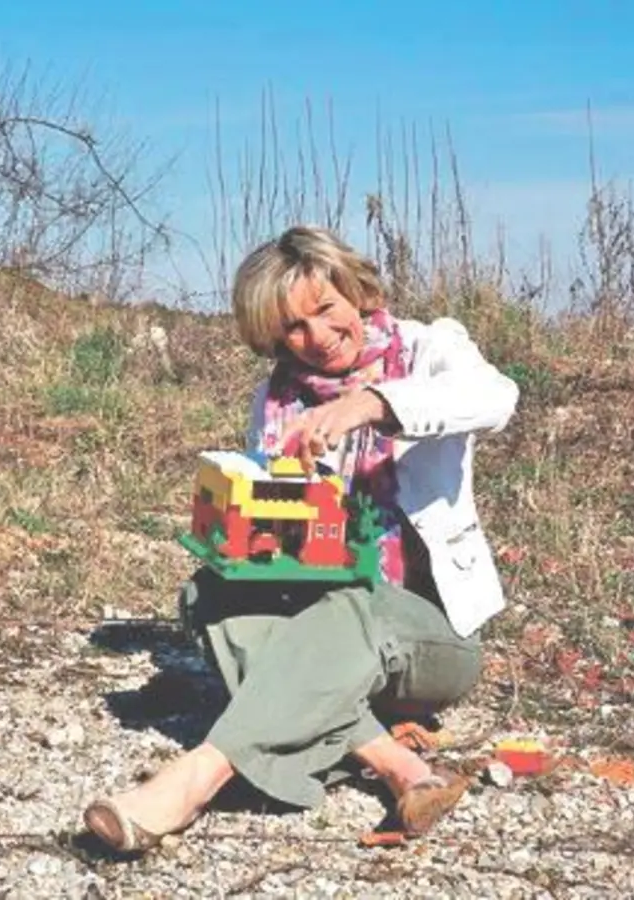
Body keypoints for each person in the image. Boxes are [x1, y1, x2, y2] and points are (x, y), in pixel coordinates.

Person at [82, 225, 520, 853]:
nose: (316, 337)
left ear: (353, 290)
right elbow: (282, 525)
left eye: (324, 308)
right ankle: (398, 765)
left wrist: (371, 403)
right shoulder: (277, 400)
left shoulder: (431, 349)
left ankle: (197, 777)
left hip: (430, 637)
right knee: (208, 595)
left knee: (349, 605)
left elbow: (497, 398)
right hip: (323, 626)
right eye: (293, 327)